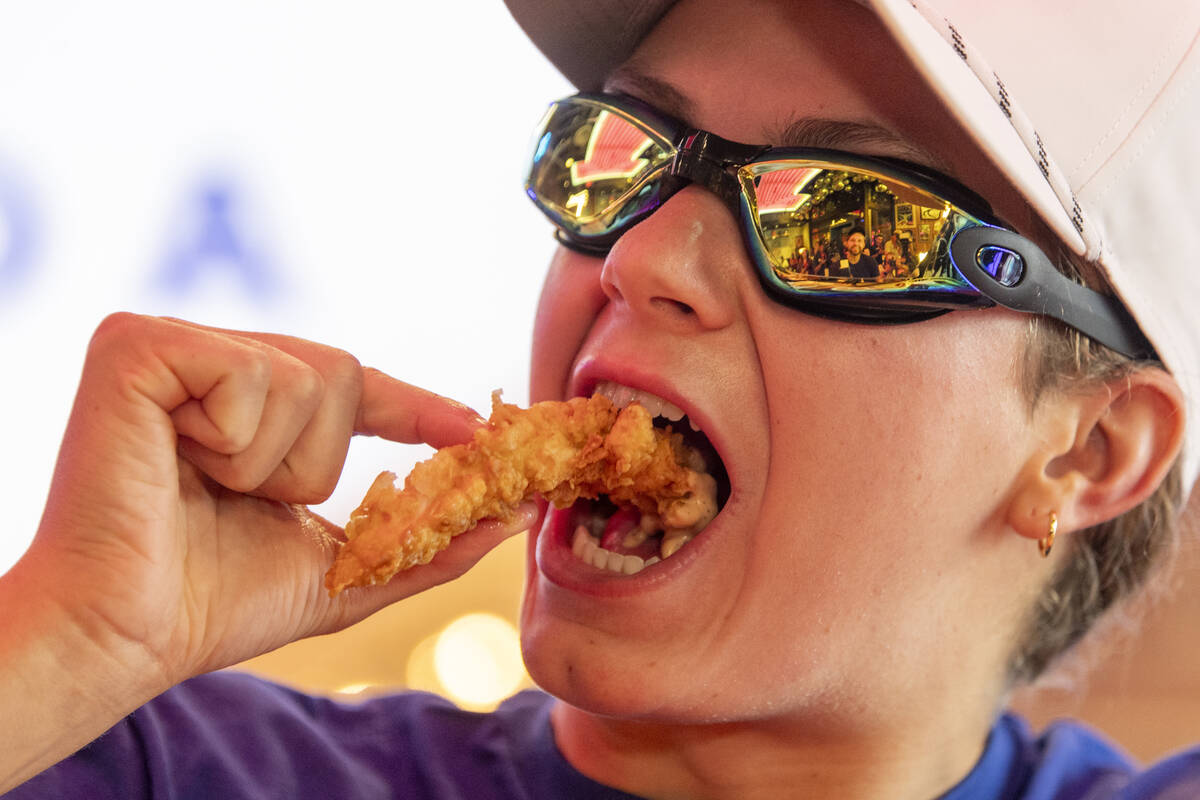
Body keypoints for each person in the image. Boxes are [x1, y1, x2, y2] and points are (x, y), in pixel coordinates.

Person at [3, 0, 1200, 798]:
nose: (639, 257)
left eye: (845, 218)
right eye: (619, 151)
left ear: (1092, 450)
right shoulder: (160, 764)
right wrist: (68, 643)